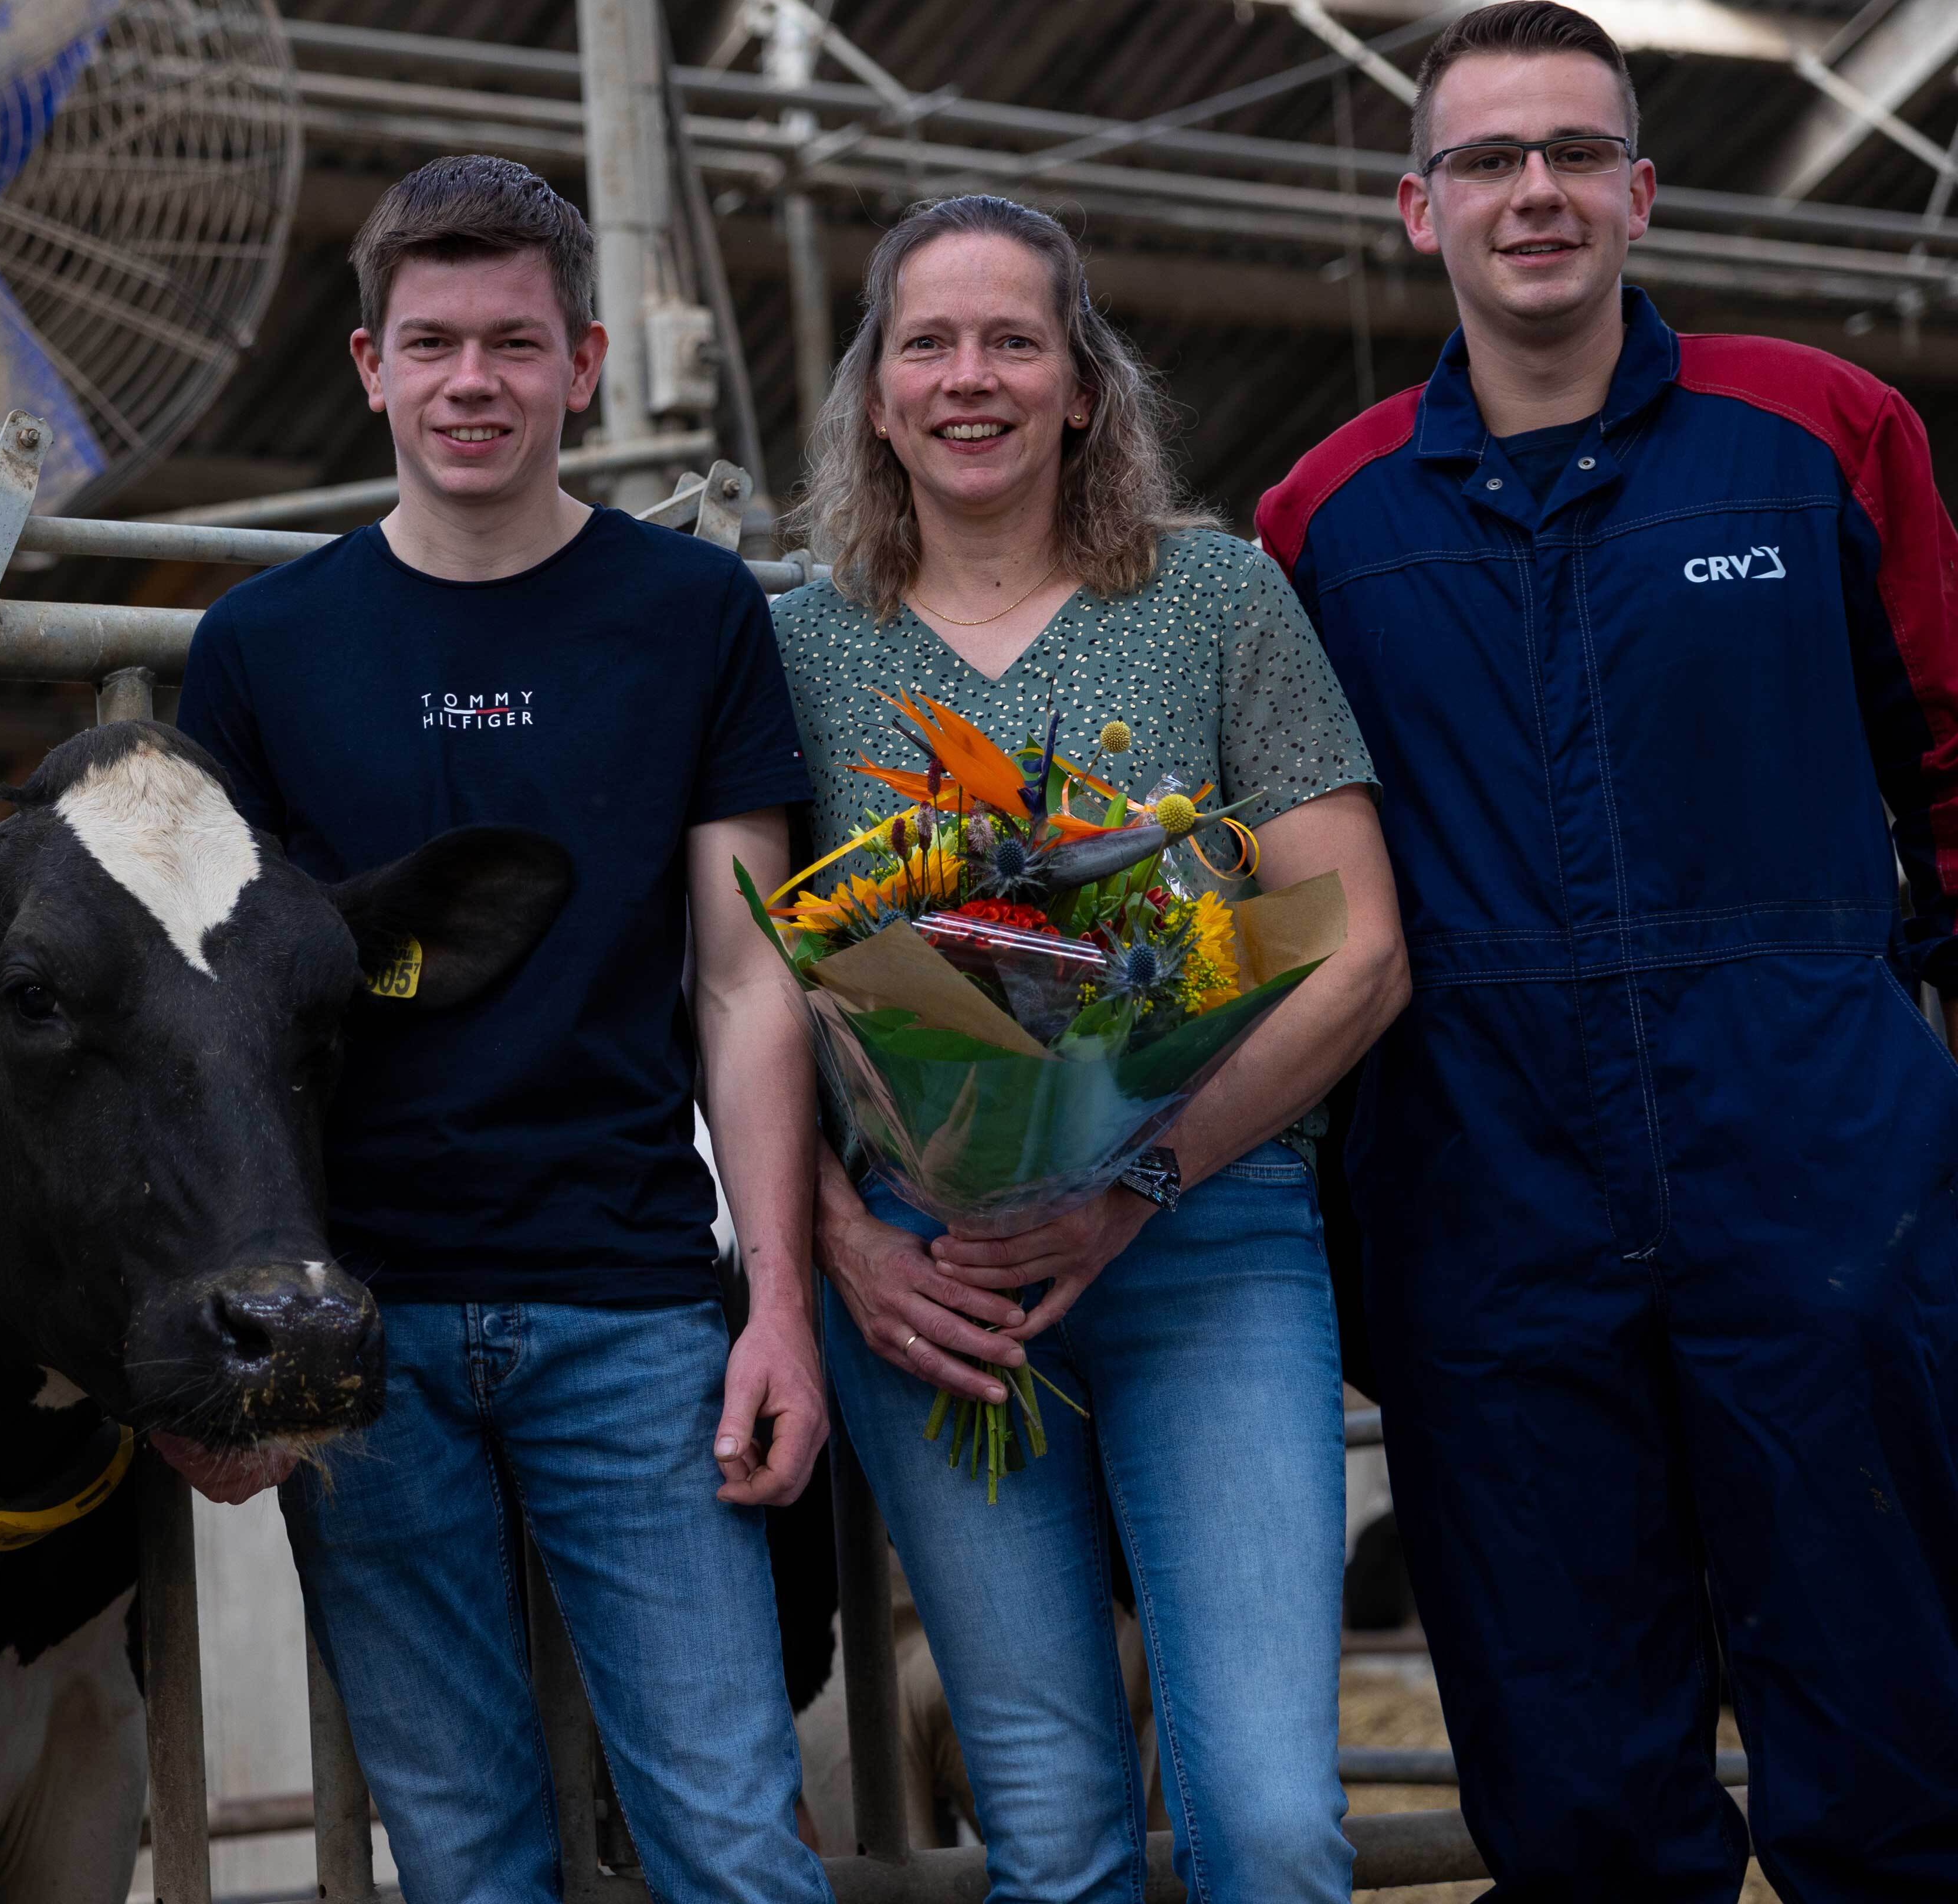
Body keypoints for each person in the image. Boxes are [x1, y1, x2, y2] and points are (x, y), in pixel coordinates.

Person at [1259, 0, 1958, 1901]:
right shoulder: (1323, 521)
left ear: (1642, 192)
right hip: (1487, 1187)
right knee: (1570, 1772)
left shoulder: (1818, 431)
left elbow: (1955, 752)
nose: (1536, 193)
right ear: (1421, 209)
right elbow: (1291, 890)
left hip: (1813, 1160)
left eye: (1575, 153)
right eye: (1489, 159)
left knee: (1892, 1725)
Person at [169, 155, 834, 1900]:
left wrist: (776, 1303)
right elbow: (220, 1028)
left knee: (733, 1837)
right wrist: (236, 1335)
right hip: (361, 1335)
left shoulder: (691, 617)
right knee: (464, 1857)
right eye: (436, 343)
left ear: (587, 363)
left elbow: (749, 975)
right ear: (371, 366)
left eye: (516, 346)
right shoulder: (258, 649)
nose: (476, 383)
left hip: (629, 1306)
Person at [777, 192, 1411, 1901]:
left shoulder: (1217, 599)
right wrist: (847, 1249)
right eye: (928, 342)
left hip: (1204, 1240)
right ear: (876, 391)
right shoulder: (794, 641)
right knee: (1050, 1828)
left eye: (1013, 341)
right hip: (935, 1278)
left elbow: (1351, 949)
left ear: (1081, 386)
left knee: (1271, 1820)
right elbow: (750, 990)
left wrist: (1133, 1177)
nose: (968, 377)